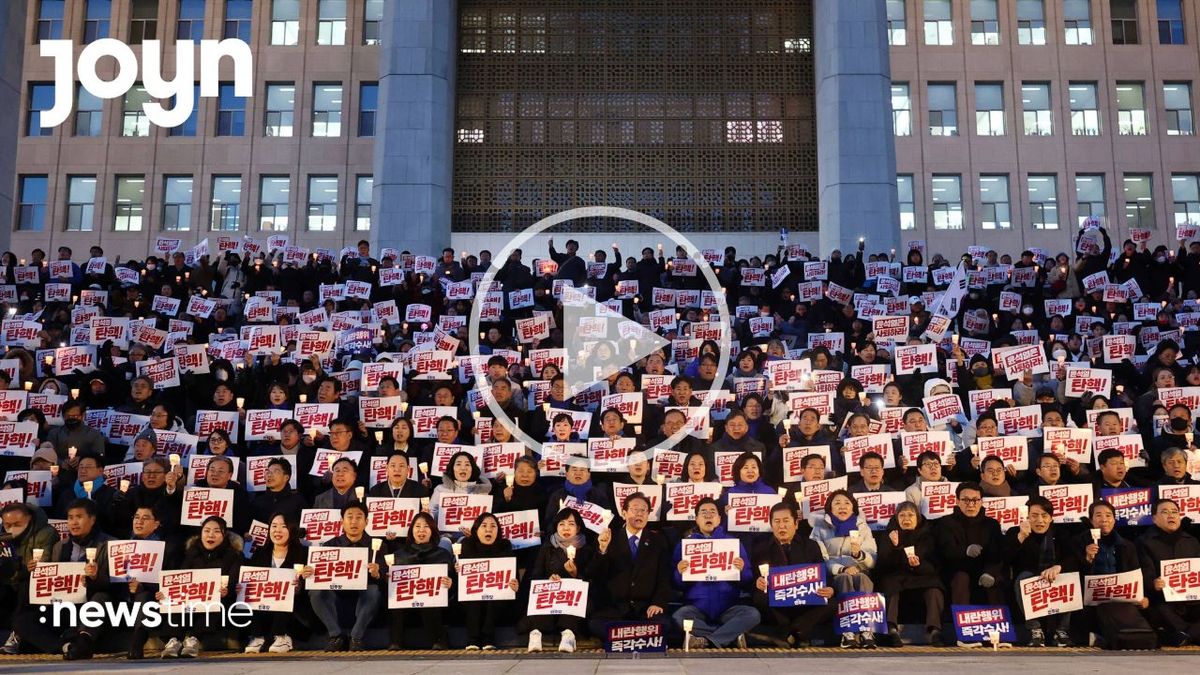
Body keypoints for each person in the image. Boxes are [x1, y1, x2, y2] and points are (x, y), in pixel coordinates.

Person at [12, 499, 113, 660]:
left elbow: (114, 585)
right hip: (63, 605)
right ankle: (65, 647)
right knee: (22, 621)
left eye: (79, 517)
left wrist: (95, 577)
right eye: (70, 517)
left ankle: (83, 641)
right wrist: (37, 572)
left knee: (100, 598)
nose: (74, 522)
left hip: (91, 603)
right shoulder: (60, 546)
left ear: (92, 519)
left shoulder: (108, 544)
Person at [672, 498, 759, 649]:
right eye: (703, 512)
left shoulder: (733, 544)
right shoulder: (685, 545)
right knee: (679, 616)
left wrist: (742, 570)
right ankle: (728, 636)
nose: (708, 515)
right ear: (697, 519)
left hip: (728, 607)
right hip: (697, 608)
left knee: (752, 614)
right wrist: (679, 573)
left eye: (713, 512)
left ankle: (706, 640)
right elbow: (676, 584)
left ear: (719, 518)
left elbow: (748, 580)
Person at [587, 492, 672, 639]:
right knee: (594, 624)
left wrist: (658, 603)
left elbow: (664, 576)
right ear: (624, 513)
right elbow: (595, 574)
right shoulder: (608, 538)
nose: (639, 513)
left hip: (645, 608)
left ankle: (623, 634)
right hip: (615, 608)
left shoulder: (658, 540)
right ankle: (640, 635)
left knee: (665, 624)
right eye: (635, 509)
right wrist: (602, 549)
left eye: (643, 510)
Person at [751, 501, 836, 647]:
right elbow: (752, 579)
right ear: (771, 525)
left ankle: (792, 631)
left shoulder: (811, 545)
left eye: (786, 521)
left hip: (805, 603)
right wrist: (758, 583)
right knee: (759, 598)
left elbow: (824, 575)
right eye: (776, 521)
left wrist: (830, 589)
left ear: (796, 524)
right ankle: (797, 632)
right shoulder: (761, 549)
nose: (781, 526)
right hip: (777, 607)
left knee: (832, 603)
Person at [159, 516, 243, 659]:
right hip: (192, 601)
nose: (211, 535)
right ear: (201, 533)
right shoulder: (191, 553)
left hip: (218, 602)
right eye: (207, 530)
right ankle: (174, 640)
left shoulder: (233, 556)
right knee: (176, 599)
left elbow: (234, 582)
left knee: (217, 603)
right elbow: (179, 581)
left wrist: (226, 591)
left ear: (224, 535)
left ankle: (193, 640)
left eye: (217, 531)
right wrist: (164, 593)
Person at [305, 501, 383, 651]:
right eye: (349, 517)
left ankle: (356, 637)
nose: (354, 521)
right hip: (336, 593)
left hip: (363, 594)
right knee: (315, 592)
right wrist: (310, 573)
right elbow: (319, 574)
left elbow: (384, 576)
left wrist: (377, 573)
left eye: (359, 517)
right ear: (342, 522)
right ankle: (336, 635)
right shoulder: (329, 545)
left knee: (374, 591)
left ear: (366, 521)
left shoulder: (377, 545)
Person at [808, 490, 878, 648]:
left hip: (860, 570)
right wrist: (842, 569)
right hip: (835, 574)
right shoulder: (819, 528)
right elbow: (819, 558)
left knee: (862, 578)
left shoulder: (863, 528)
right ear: (830, 508)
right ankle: (847, 631)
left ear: (853, 508)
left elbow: (872, 559)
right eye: (837, 503)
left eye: (847, 503)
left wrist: (859, 555)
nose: (842, 507)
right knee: (845, 578)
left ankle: (866, 629)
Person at [1005, 495, 1077, 647]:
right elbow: (1005, 558)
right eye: (1034, 516)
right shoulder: (1015, 532)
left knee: (1068, 577)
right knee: (1024, 577)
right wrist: (1021, 536)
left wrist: (1058, 567)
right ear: (1026, 516)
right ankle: (1035, 630)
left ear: (1051, 518)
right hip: (1029, 580)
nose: (1040, 520)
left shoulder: (1061, 534)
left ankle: (1061, 631)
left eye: (1044, 516)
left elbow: (1073, 558)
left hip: (1054, 579)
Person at [521, 508, 590, 653]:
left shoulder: (586, 549)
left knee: (574, 601)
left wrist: (575, 573)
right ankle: (535, 634)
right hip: (550, 596)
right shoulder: (547, 548)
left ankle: (568, 635)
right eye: (562, 524)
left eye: (571, 524)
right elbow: (535, 576)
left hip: (573, 599)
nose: (566, 528)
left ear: (578, 528)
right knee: (539, 598)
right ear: (556, 526)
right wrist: (548, 579)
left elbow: (592, 578)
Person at [876, 501, 945, 646]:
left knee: (934, 587)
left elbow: (935, 565)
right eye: (902, 515)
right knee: (890, 584)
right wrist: (895, 547)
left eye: (910, 515)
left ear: (918, 518)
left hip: (922, 576)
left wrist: (919, 566)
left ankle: (934, 631)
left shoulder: (928, 535)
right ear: (896, 518)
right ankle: (891, 629)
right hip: (897, 576)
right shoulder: (889, 534)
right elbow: (883, 565)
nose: (906, 519)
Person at [385, 512, 453, 650]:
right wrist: (389, 580)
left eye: (426, 526)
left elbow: (453, 582)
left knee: (429, 600)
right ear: (411, 531)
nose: (421, 530)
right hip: (406, 601)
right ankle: (396, 641)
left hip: (433, 603)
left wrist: (450, 583)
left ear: (432, 530)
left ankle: (440, 639)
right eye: (417, 526)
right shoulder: (399, 554)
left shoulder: (442, 554)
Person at [1137, 498, 1200, 645]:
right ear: (1154, 518)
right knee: (1157, 608)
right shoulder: (1144, 542)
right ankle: (1192, 634)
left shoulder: (1192, 541)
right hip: (1163, 601)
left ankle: (1185, 635)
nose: (1171, 515)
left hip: (1192, 601)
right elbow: (1145, 573)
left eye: (1174, 512)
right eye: (1165, 512)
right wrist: (1154, 583)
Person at [243, 514, 307, 654]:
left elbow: (307, 584)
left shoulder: (302, 553)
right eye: (274, 526)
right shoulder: (260, 553)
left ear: (292, 530)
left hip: (294, 609)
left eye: (283, 526)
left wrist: (300, 585)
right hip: (264, 608)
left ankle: (282, 637)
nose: (277, 530)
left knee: (284, 592)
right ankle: (257, 637)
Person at [935, 482, 1006, 608]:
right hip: (956, 569)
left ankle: (998, 623)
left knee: (995, 580)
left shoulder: (992, 524)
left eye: (975, 500)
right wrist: (965, 551)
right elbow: (945, 550)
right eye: (966, 500)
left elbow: (998, 553)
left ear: (981, 501)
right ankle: (962, 621)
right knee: (961, 578)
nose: (971, 504)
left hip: (984, 569)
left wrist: (989, 572)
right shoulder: (945, 522)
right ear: (957, 501)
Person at [0, 502, 58, 655]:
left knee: (28, 584)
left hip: (31, 583)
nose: (11, 528)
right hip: (8, 580)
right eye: (7, 524)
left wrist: (27, 569)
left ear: (29, 518)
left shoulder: (46, 533)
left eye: (17, 524)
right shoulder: (2, 536)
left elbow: (45, 564)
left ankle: (16, 636)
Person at [458, 512, 520, 650]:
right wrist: (457, 569)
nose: (488, 530)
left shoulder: (505, 546)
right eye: (484, 526)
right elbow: (462, 581)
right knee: (473, 598)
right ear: (476, 530)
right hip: (472, 596)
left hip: (498, 599)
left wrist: (515, 585)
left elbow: (513, 575)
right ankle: (472, 638)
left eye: (493, 526)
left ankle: (488, 638)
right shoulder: (467, 545)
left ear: (498, 530)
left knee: (494, 596)